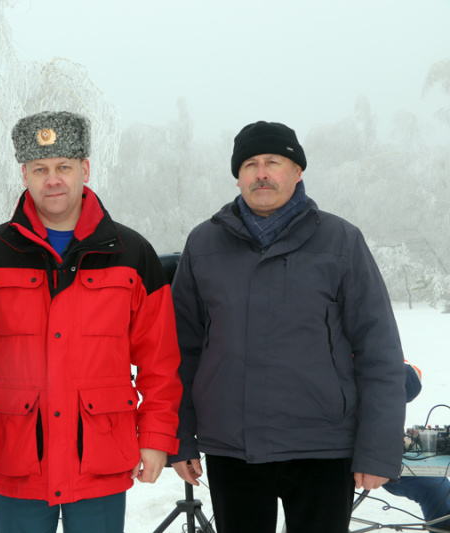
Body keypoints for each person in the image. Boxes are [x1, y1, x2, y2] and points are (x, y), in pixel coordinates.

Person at [0, 111, 182, 533]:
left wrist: (156, 437)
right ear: (25, 174)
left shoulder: (131, 254)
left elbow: (160, 362)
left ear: (85, 170)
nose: (52, 180)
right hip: (19, 461)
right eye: (40, 169)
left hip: (101, 462)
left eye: (63, 167)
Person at [168, 120, 407, 533]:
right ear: (238, 176)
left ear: (297, 172)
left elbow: (379, 351)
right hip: (231, 449)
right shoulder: (203, 244)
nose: (261, 173)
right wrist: (180, 438)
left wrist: (377, 451)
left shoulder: (341, 241)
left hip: (323, 448)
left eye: (273, 162)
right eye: (250, 164)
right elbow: (179, 350)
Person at [382, 362, 450, 529]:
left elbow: (411, 375)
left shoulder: (379, 351)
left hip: (382, 450)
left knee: (436, 485)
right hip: (335, 455)